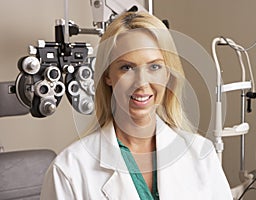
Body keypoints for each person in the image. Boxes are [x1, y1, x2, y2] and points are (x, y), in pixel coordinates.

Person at [41, 11, 232, 200]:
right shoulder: (69, 170)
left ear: (168, 74)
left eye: (154, 66)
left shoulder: (201, 155)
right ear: (107, 75)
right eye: (127, 67)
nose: (141, 83)